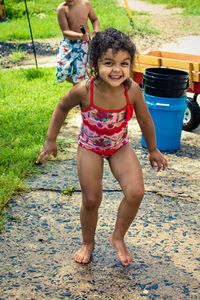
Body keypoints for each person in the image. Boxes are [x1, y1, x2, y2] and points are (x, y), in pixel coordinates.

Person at [36, 28, 168, 266]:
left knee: (136, 192)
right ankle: (88, 243)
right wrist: (50, 140)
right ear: (95, 64)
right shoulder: (84, 90)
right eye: (109, 63)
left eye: (124, 63)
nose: (117, 70)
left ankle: (118, 236)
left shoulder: (133, 91)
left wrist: (153, 149)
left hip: (119, 146)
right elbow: (62, 107)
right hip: (90, 146)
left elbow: (146, 119)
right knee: (91, 199)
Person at [56, 0, 100, 84]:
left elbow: (95, 20)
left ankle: (79, 88)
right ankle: (77, 85)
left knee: (81, 72)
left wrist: (96, 30)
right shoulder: (62, 9)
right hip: (68, 43)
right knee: (62, 69)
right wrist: (79, 36)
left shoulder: (85, 4)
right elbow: (65, 31)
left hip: (84, 44)